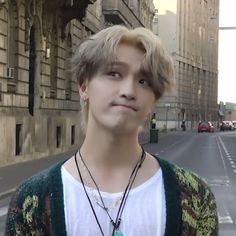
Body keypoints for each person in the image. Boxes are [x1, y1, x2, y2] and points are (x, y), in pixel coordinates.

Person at [5, 25, 218, 236]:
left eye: (143, 81)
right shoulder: (31, 201)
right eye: (114, 73)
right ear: (84, 86)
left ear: (154, 99)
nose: (128, 91)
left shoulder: (195, 197)